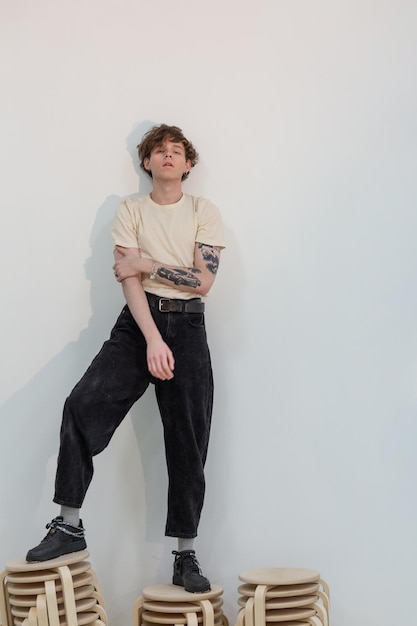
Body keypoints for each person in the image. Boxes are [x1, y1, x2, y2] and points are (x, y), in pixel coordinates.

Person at [26, 124, 225, 593]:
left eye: (178, 151)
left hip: (190, 328)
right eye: (160, 151)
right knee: (82, 405)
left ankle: (185, 555)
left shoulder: (203, 211)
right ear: (148, 163)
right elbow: (128, 280)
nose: (169, 156)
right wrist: (154, 340)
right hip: (139, 325)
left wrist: (149, 264)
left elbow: (203, 281)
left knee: (188, 441)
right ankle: (69, 526)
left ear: (189, 164)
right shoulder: (130, 210)